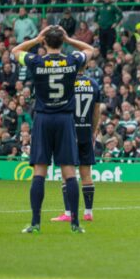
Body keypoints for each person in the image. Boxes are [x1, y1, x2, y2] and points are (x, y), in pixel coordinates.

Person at [12, 26, 94, 234]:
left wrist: (36, 39)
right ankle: (75, 224)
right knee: (69, 172)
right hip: (65, 119)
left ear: (44, 42)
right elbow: (90, 50)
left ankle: (35, 223)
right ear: (62, 42)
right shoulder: (72, 60)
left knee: (40, 171)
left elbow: (15, 51)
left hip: (43, 119)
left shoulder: (36, 61)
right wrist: (69, 39)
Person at [51, 67, 101, 223]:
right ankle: (88, 212)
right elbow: (96, 112)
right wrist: (93, 131)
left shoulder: (65, 83)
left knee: (67, 175)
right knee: (86, 174)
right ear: (86, 67)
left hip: (68, 133)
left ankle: (68, 213)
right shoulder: (94, 84)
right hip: (85, 132)